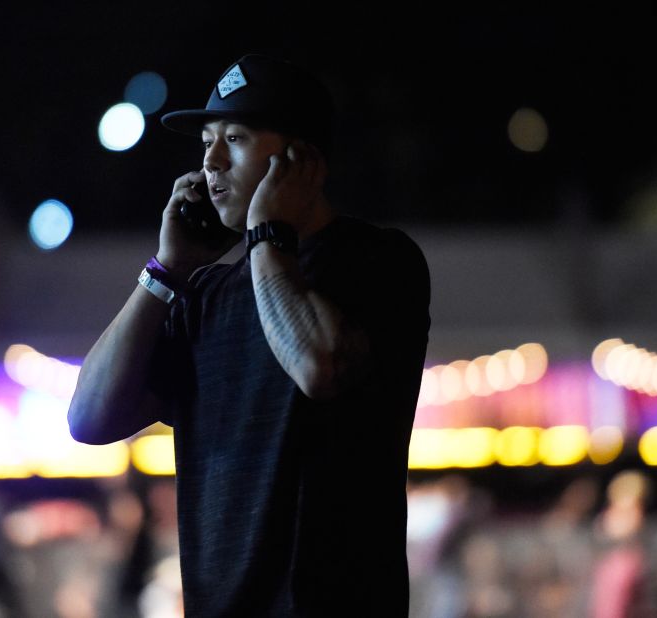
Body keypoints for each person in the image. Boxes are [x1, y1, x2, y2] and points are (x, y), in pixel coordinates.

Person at [68, 53, 431, 617]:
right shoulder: (208, 294)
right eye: (206, 142)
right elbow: (89, 420)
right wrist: (166, 270)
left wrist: (267, 233)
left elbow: (318, 365)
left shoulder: (378, 260)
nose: (210, 161)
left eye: (233, 138)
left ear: (300, 158)